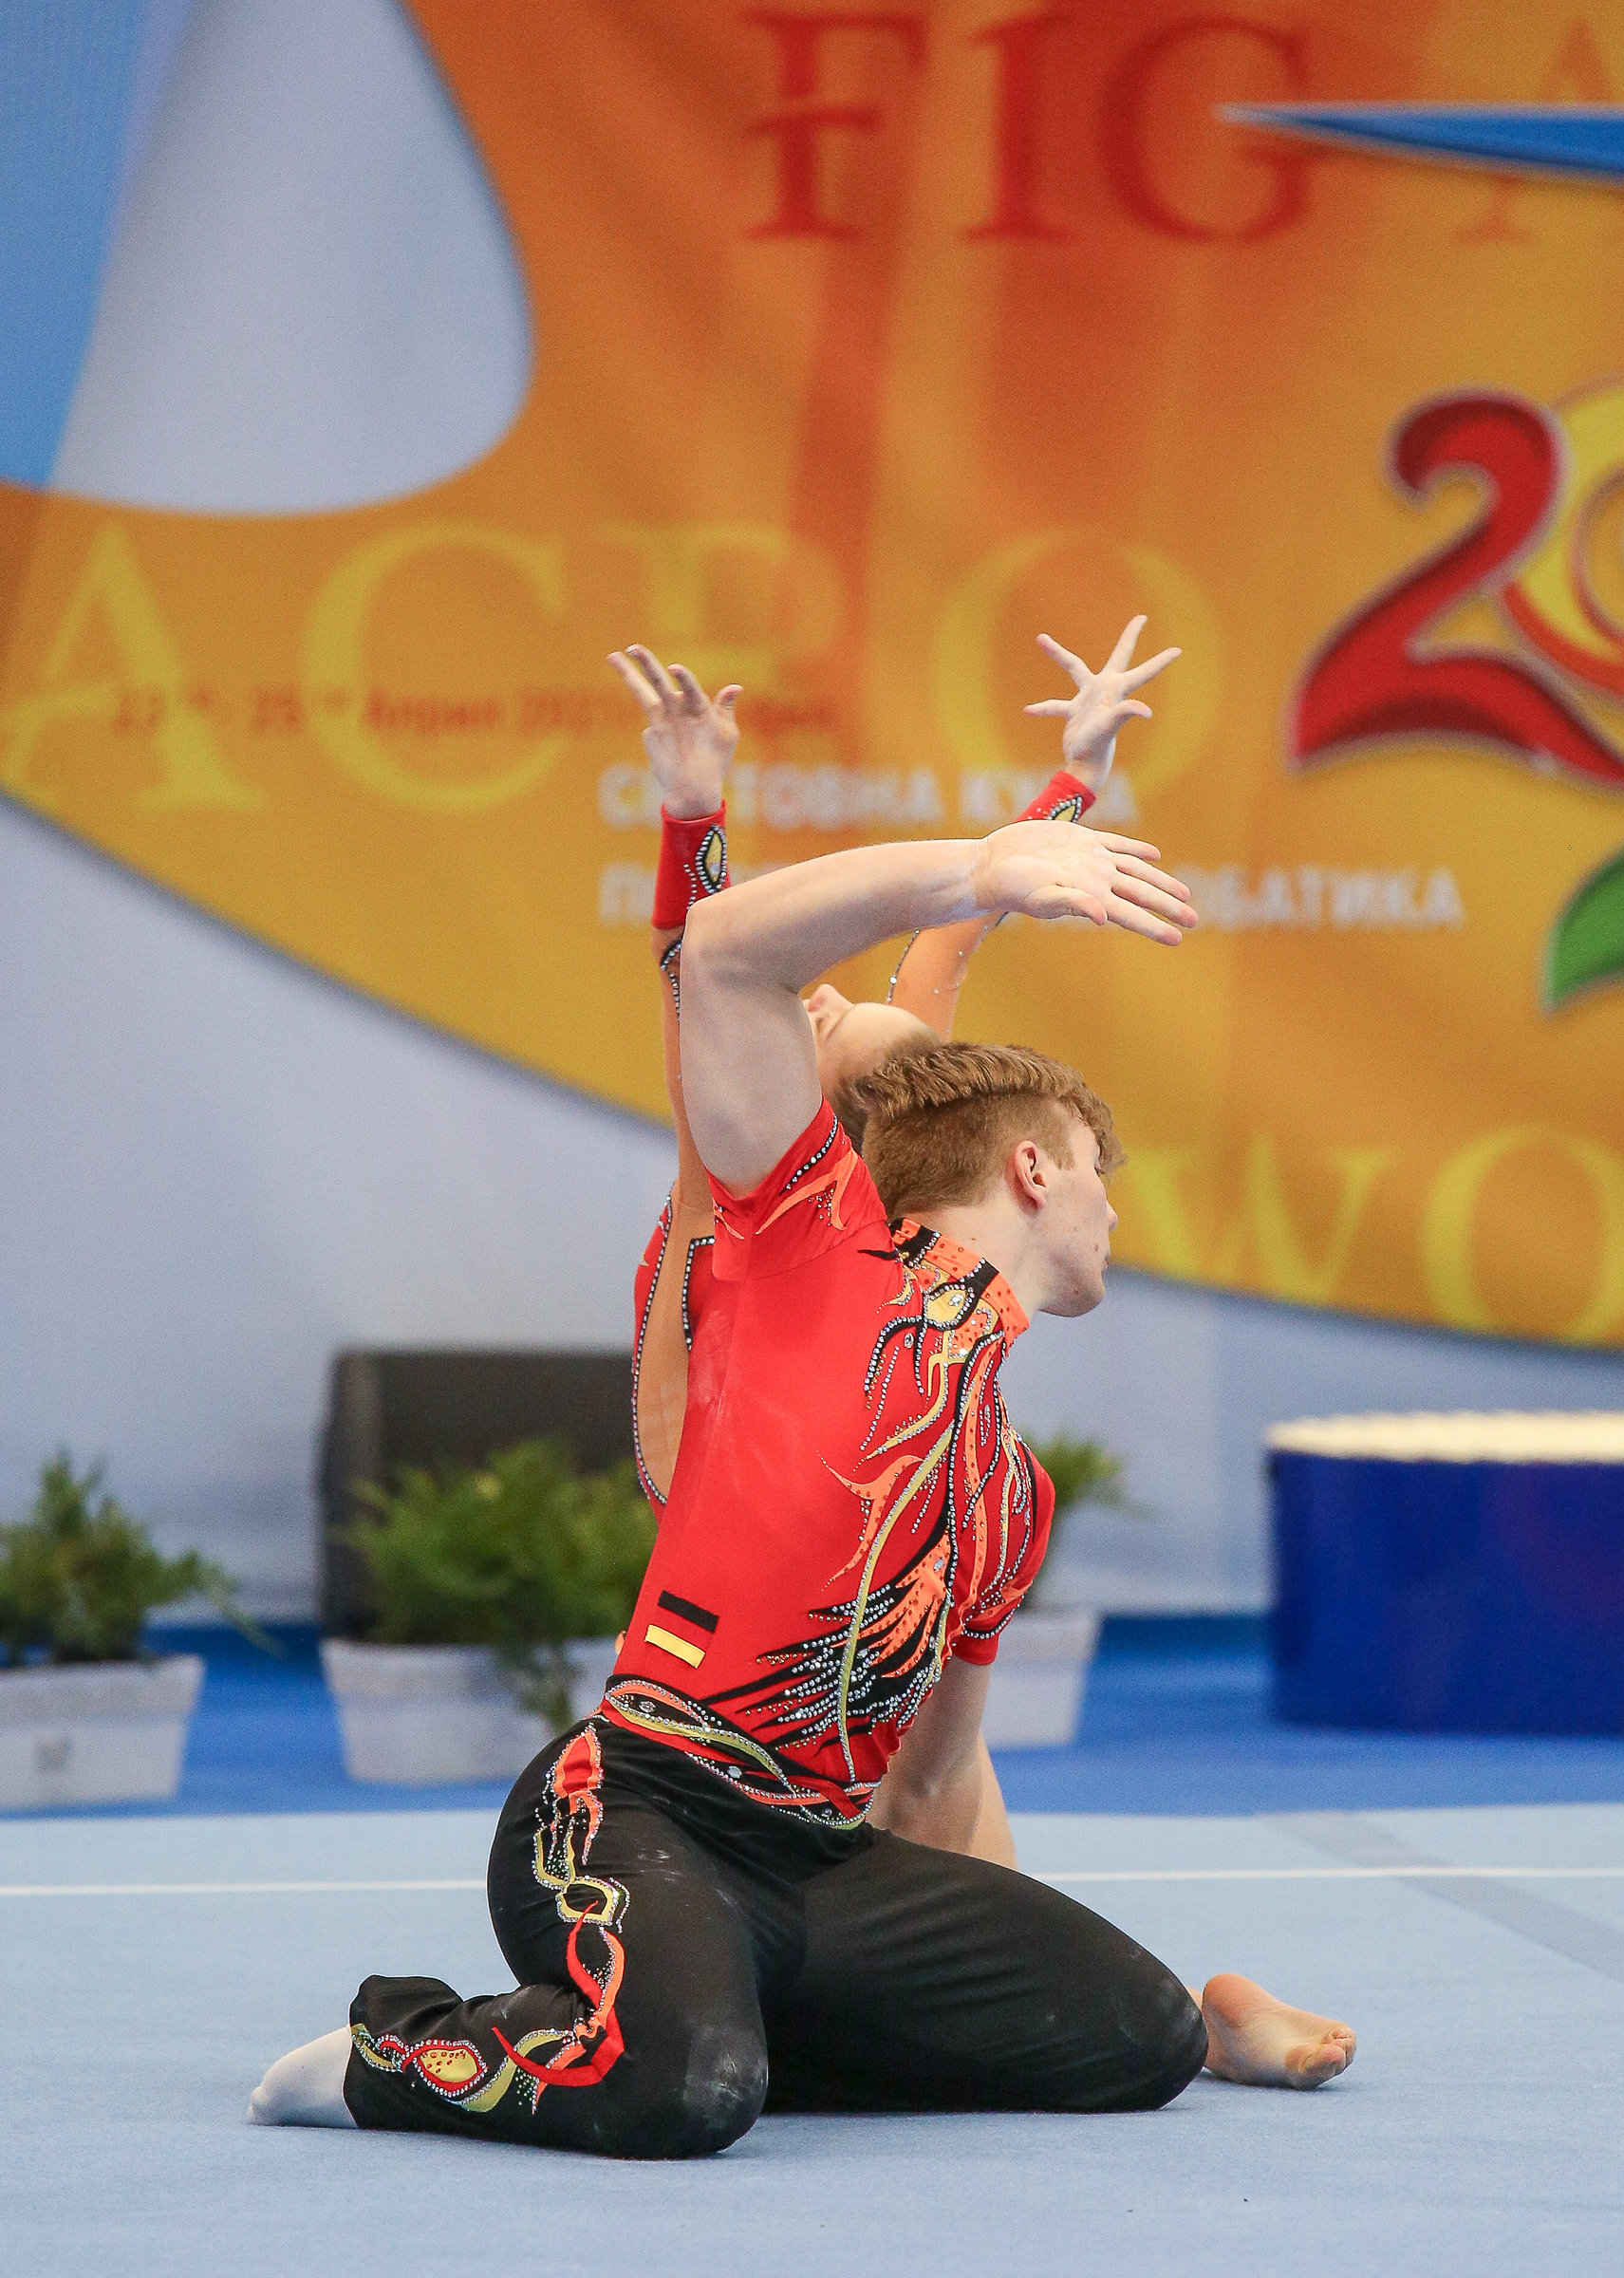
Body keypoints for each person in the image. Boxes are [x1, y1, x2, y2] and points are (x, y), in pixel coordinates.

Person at [251, 635, 1354, 2150]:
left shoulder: (998, 1471)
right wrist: (747, 828)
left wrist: (1058, 803)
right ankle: (413, 2045)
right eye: (818, 1015)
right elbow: (716, 960)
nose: (1122, 1208)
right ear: (1034, 1170)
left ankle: (705, 2019)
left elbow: (939, 1780)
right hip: (645, 1796)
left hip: (818, 1839)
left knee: (1133, 2038)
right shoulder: (795, 1237)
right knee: (689, 2093)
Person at [618, 620, 1178, 1870]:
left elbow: (915, 953)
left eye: (826, 1015)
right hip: (725, 1452)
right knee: (853, 1823)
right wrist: (1068, 790)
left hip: (875, 1523)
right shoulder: (760, 1194)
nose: (819, 995)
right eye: (817, 1007)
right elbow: (739, 973)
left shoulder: (859, 1183)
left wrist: (1070, 791)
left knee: (951, 1816)